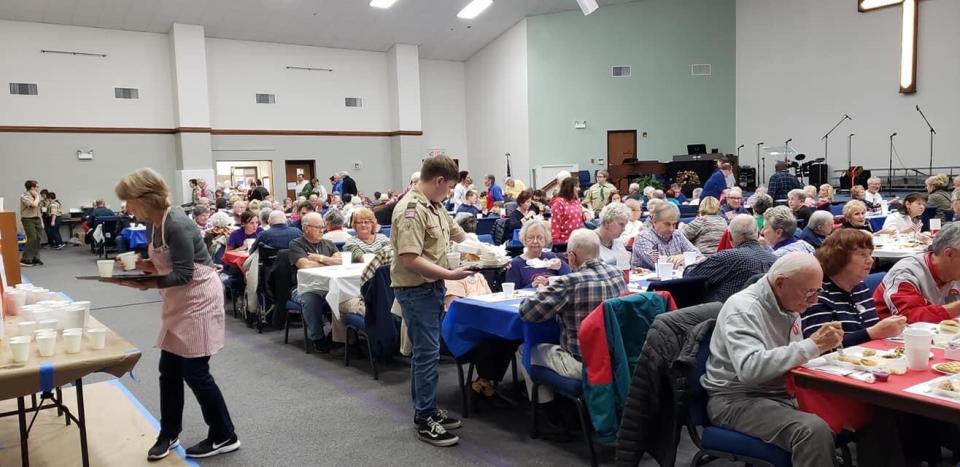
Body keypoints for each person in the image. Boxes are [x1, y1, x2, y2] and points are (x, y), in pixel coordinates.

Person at [112, 168, 239, 460]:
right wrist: (142, 266)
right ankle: (168, 432)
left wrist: (143, 282)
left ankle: (224, 434)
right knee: (168, 370)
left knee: (196, 372)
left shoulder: (177, 223)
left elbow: (182, 274)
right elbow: (165, 264)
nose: (127, 207)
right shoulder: (153, 223)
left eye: (129, 201)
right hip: (178, 300)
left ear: (146, 198)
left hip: (198, 299)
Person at [702, 252, 843, 467]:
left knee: (863, 406)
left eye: (818, 291)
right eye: (809, 292)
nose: (814, 301)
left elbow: (790, 358)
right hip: (735, 399)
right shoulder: (743, 309)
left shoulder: (788, 302)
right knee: (812, 431)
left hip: (780, 392)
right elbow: (750, 369)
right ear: (780, 283)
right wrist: (813, 346)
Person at [390, 155, 474, 447]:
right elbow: (410, 259)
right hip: (416, 290)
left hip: (431, 287)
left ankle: (425, 408)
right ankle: (424, 417)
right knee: (427, 353)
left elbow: (459, 235)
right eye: (449, 186)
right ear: (439, 180)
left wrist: (487, 251)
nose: (450, 192)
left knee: (427, 352)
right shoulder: (411, 209)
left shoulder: (434, 205)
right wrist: (450, 274)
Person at [519, 229, 626, 399]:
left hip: (582, 363)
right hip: (616, 356)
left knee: (527, 348)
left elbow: (526, 312)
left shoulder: (569, 283)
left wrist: (543, 291)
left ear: (572, 257)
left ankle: (545, 410)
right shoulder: (617, 274)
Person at [802, 229, 907, 347]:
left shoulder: (860, 287)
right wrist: (872, 333)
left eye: (870, 254)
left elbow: (870, 329)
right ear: (839, 258)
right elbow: (820, 348)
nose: (870, 260)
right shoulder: (819, 294)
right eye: (862, 254)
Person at [874, 222, 960, 323]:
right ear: (949, 254)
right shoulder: (905, 274)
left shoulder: (953, 271)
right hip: (892, 336)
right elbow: (909, 319)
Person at [686, 214, 777, 303]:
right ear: (757, 235)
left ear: (729, 236)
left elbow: (690, 276)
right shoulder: (775, 260)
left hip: (722, 312)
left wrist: (700, 262)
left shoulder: (727, 257)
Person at [289, 212, 342, 352]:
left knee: (344, 296)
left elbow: (340, 261)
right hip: (304, 287)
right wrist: (331, 262)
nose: (321, 230)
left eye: (323, 227)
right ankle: (317, 338)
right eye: (317, 227)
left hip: (329, 285)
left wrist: (320, 258)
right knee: (311, 300)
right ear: (306, 228)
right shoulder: (296, 244)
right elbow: (304, 265)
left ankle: (339, 335)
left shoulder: (328, 243)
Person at [631, 202, 701, 269]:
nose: (671, 229)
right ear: (654, 222)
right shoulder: (643, 237)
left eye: (674, 224)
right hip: (647, 279)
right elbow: (660, 263)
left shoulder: (677, 234)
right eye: (667, 224)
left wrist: (683, 256)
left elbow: (700, 256)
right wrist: (688, 258)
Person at [504, 220, 570, 289]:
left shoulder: (551, 257)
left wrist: (561, 266)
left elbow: (570, 278)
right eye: (530, 237)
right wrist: (533, 285)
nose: (535, 241)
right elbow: (512, 293)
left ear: (545, 239)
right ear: (524, 239)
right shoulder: (516, 264)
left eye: (539, 237)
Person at [550, 176, 586, 245]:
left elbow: (580, 218)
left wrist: (586, 214)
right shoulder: (558, 203)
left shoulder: (577, 201)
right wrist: (557, 244)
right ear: (570, 188)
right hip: (565, 242)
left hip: (578, 240)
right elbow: (555, 226)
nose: (579, 189)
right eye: (577, 186)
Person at [594, 202, 631, 267]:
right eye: (621, 224)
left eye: (625, 225)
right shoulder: (589, 242)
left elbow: (624, 267)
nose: (624, 229)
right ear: (607, 222)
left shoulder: (618, 241)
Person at [20, 180, 43, 267]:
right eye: (37, 187)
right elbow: (34, 205)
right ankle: (25, 259)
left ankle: (35, 257)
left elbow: (38, 210)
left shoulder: (36, 196)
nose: (38, 189)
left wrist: (42, 221)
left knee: (38, 238)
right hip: (28, 219)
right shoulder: (25, 196)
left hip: (37, 219)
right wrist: (37, 196)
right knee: (32, 237)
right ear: (32, 188)